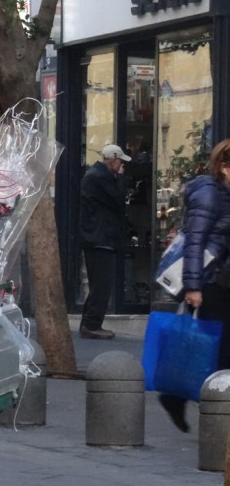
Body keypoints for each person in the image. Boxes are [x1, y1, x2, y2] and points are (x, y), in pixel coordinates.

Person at [158, 139, 230, 432]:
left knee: (213, 346)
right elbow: (194, 243)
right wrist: (193, 287)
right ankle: (214, 414)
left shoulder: (225, 193)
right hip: (210, 282)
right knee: (216, 348)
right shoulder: (210, 194)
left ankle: (179, 398)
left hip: (222, 280)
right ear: (224, 167)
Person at [78, 143, 131, 339]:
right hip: (100, 238)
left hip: (97, 237)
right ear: (113, 161)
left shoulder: (95, 175)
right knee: (102, 284)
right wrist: (121, 178)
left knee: (98, 284)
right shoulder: (100, 178)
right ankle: (92, 324)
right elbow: (117, 199)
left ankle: (89, 322)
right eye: (120, 162)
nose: (122, 166)